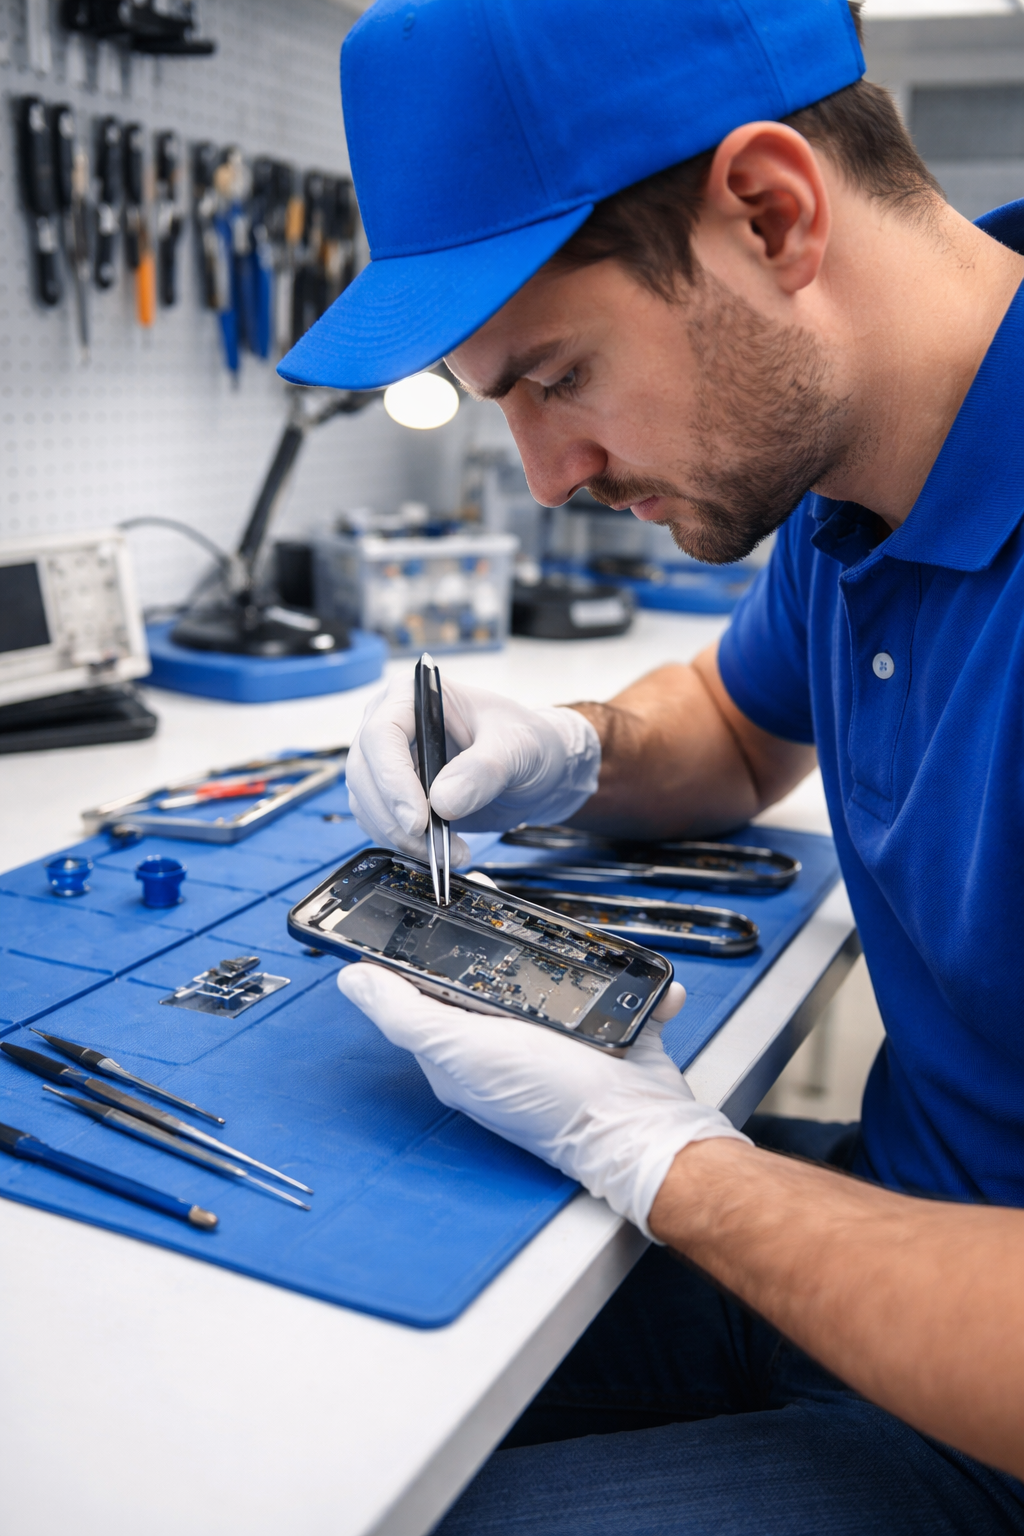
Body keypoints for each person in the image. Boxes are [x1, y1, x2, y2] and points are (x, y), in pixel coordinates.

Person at [279, 0, 1024, 1529]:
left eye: (555, 377)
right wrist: (566, 754)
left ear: (771, 212)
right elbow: (740, 725)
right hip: (888, 1220)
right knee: (277, 1412)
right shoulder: (862, 454)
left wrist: (668, 1161)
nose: (548, 477)